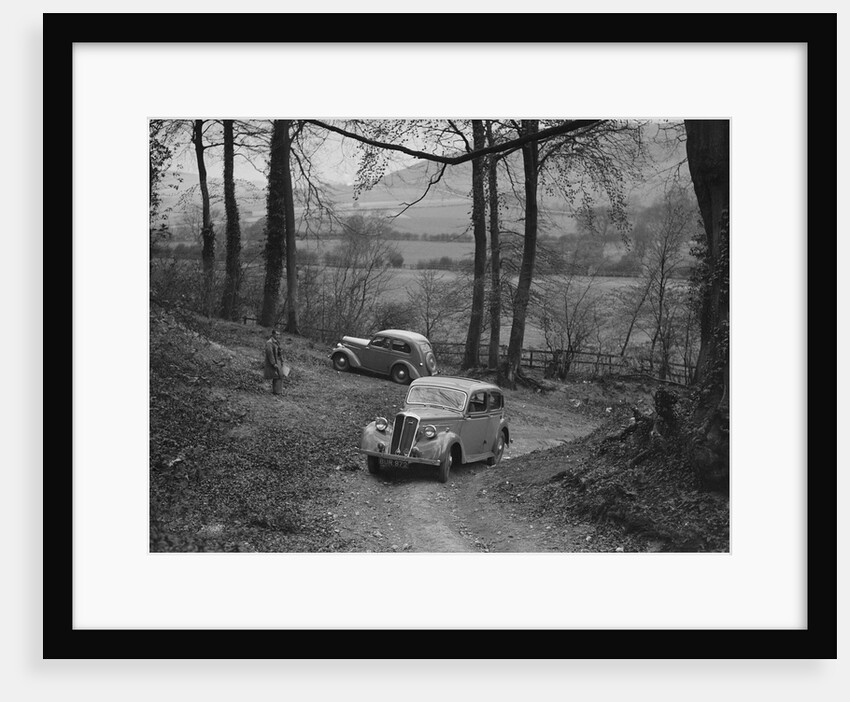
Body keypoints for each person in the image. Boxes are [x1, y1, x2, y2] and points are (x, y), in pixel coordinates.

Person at [264, 328, 285, 395]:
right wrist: (273, 363)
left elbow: (279, 352)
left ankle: (278, 391)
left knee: (280, 375)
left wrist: (282, 359)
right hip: (274, 362)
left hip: (278, 360)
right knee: (277, 375)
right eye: (276, 334)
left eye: (279, 334)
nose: (278, 336)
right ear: (273, 334)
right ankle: (276, 392)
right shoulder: (269, 343)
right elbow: (270, 354)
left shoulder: (277, 342)